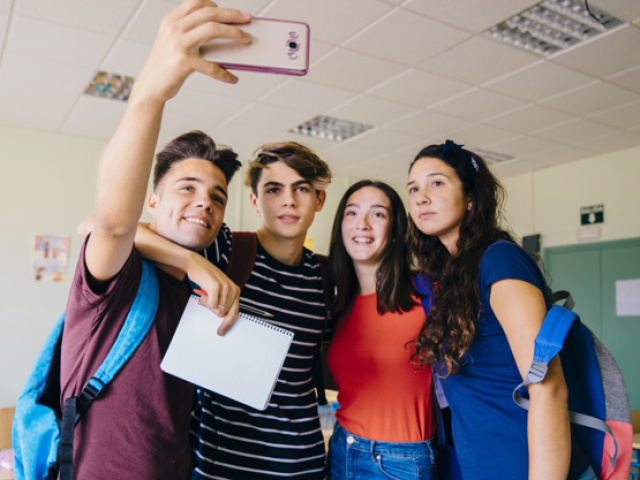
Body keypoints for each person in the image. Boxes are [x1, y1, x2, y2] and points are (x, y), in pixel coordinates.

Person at [58, 1, 250, 477]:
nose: (204, 202)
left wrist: (195, 267)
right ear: (152, 202)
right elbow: (111, 225)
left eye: (217, 196)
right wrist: (149, 95)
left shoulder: (202, 293)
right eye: (187, 188)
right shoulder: (115, 275)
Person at [114, 141, 333, 478]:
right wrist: (192, 262)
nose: (288, 200)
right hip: (218, 464)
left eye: (301, 189)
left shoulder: (327, 277)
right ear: (255, 201)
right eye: (274, 189)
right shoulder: (227, 248)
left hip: (299, 464)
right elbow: (107, 231)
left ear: (319, 199)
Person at [406, 140, 571, 480]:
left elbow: (548, 386)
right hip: (478, 463)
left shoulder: (499, 260)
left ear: (470, 199)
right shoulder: (451, 275)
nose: (421, 197)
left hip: (521, 463)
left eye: (437, 183)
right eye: (413, 188)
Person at [325, 180, 438, 480]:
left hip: (400, 460)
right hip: (341, 448)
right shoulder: (339, 304)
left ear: (395, 231)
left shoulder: (426, 293)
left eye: (377, 214)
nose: (361, 224)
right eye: (351, 213)